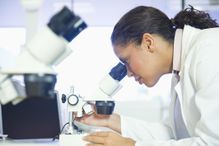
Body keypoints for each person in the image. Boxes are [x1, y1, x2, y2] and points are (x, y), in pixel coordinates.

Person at [78, 5, 219, 146]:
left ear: (148, 43)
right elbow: (175, 135)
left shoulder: (209, 50)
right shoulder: (179, 68)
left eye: (127, 61)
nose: (128, 73)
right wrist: (108, 120)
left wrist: (130, 145)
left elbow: (212, 142)